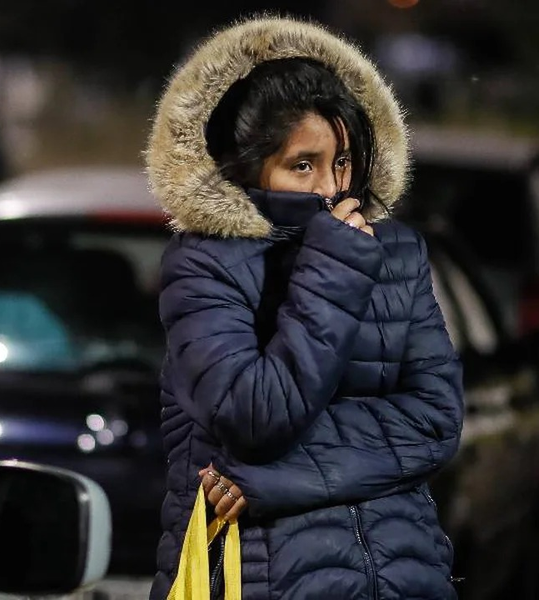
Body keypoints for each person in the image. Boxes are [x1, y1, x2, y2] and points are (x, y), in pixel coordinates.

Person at [146, 17, 463, 600]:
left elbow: (435, 421)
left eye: (342, 162)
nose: (330, 188)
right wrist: (334, 268)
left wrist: (276, 479)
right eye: (303, 165)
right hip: (266, 576)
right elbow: (256, 416)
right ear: (249, 166)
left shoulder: (396, 255)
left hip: (403, 575)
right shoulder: (203, 265)